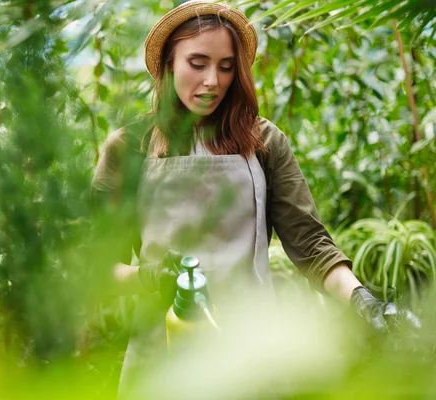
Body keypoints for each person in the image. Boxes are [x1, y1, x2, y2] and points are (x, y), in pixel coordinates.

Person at [91, 0, 418, 395]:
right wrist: (147, 276)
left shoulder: (263, 142)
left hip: (250, 354)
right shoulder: (129, 149)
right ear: (167, 63)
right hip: (161, 353)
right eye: (197, 63)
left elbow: (311, 245)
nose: (212, 80)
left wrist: (364, 301)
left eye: (226, 66)